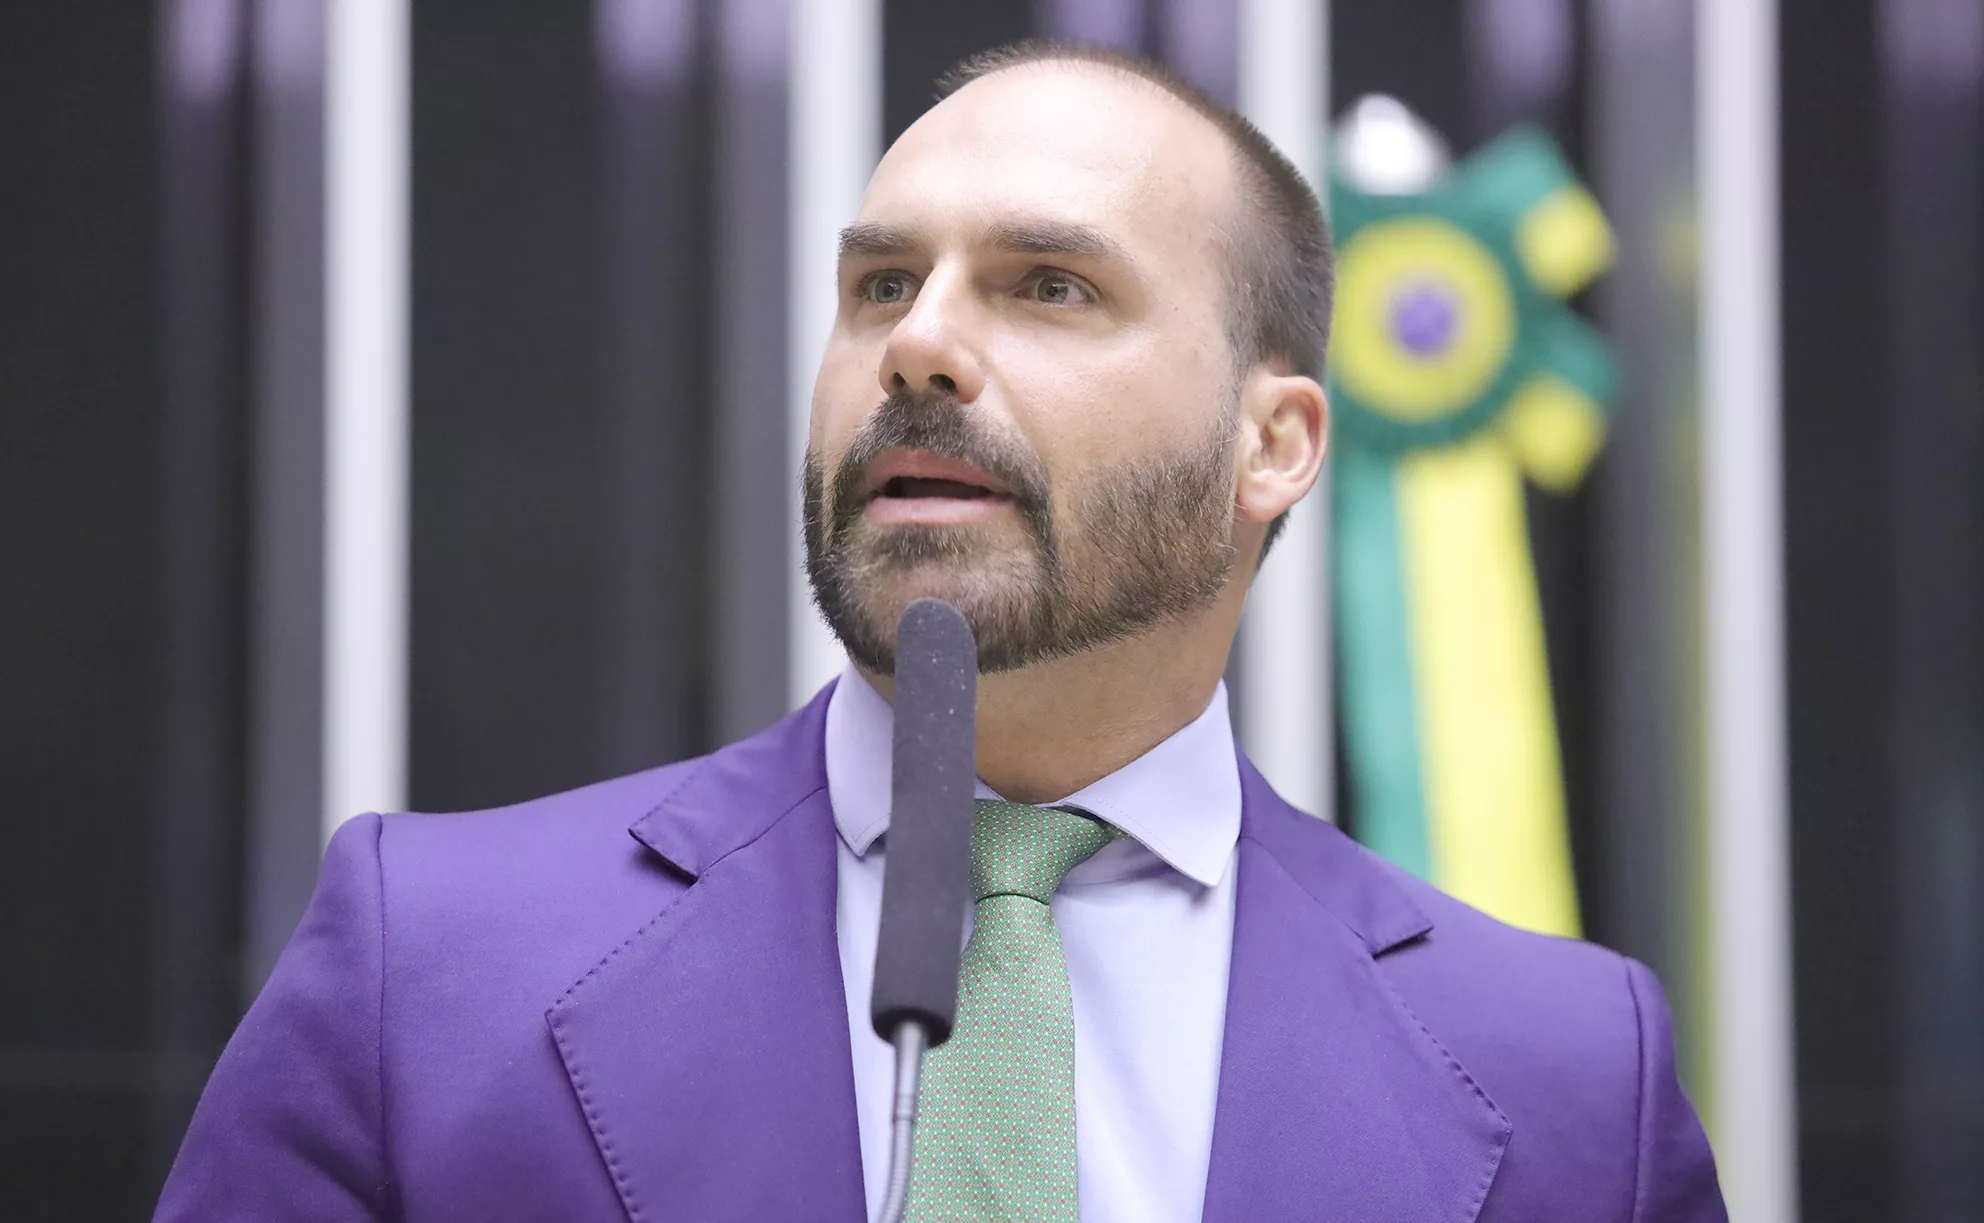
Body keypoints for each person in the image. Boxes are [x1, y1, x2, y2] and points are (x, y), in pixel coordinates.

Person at [157, 41, 1724, 1223]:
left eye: (1049, 287)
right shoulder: (429, 971)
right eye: (882, 283)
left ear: (1275, 443)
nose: (918, 346)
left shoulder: (1572, 1076)